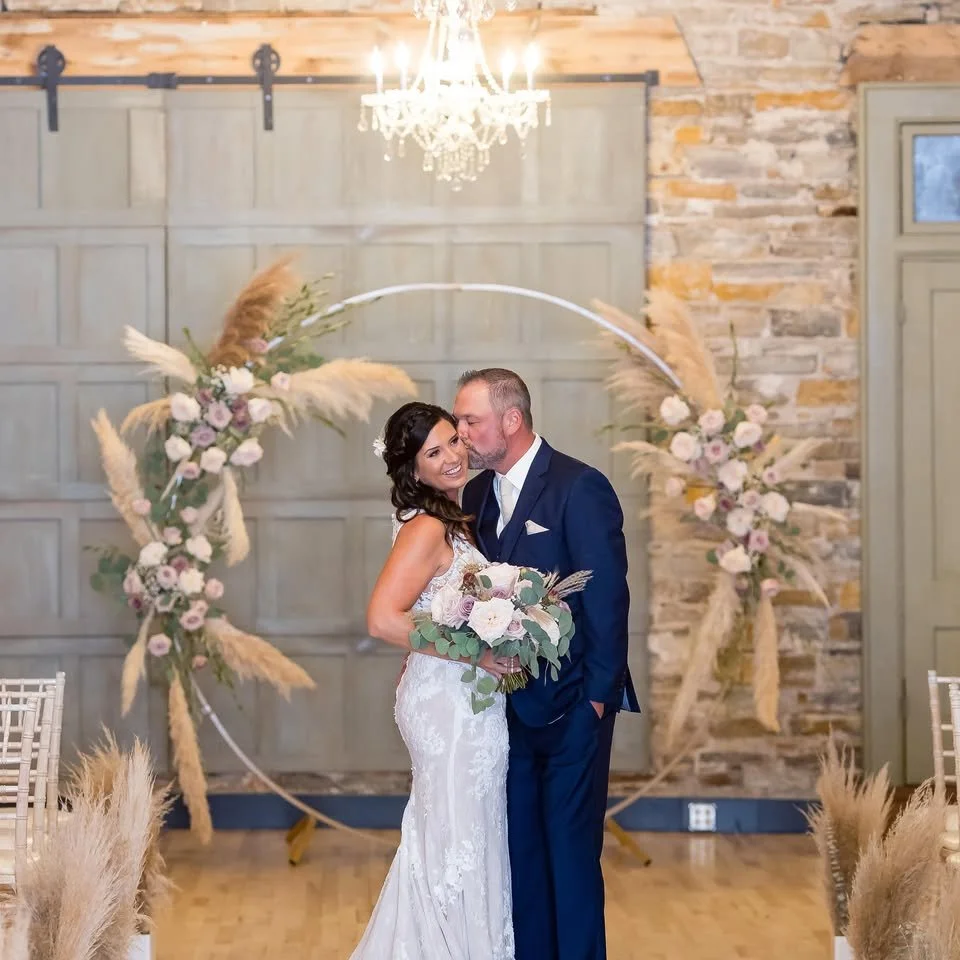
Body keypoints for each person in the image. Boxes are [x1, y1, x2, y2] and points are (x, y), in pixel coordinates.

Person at [454, 369, 640, 960]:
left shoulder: (579, 487)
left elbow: (608, 597)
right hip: (504, 711)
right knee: (521, 856)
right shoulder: (478, 497)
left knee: (571, 854)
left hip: (574, 709)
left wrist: (596, 699)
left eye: (470, 421)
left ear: (511, 420)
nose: (461, 435)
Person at [350, 400, 517, 960]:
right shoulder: (424, 527)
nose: (451, 457)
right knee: (454, 843)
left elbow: (433, 612)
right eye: (433, 452)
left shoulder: (450, 517)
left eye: (454, 441)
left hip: (464, 701)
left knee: (463, 835)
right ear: (413, 469)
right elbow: (381, 618)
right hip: (448, 707)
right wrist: (476, 653)